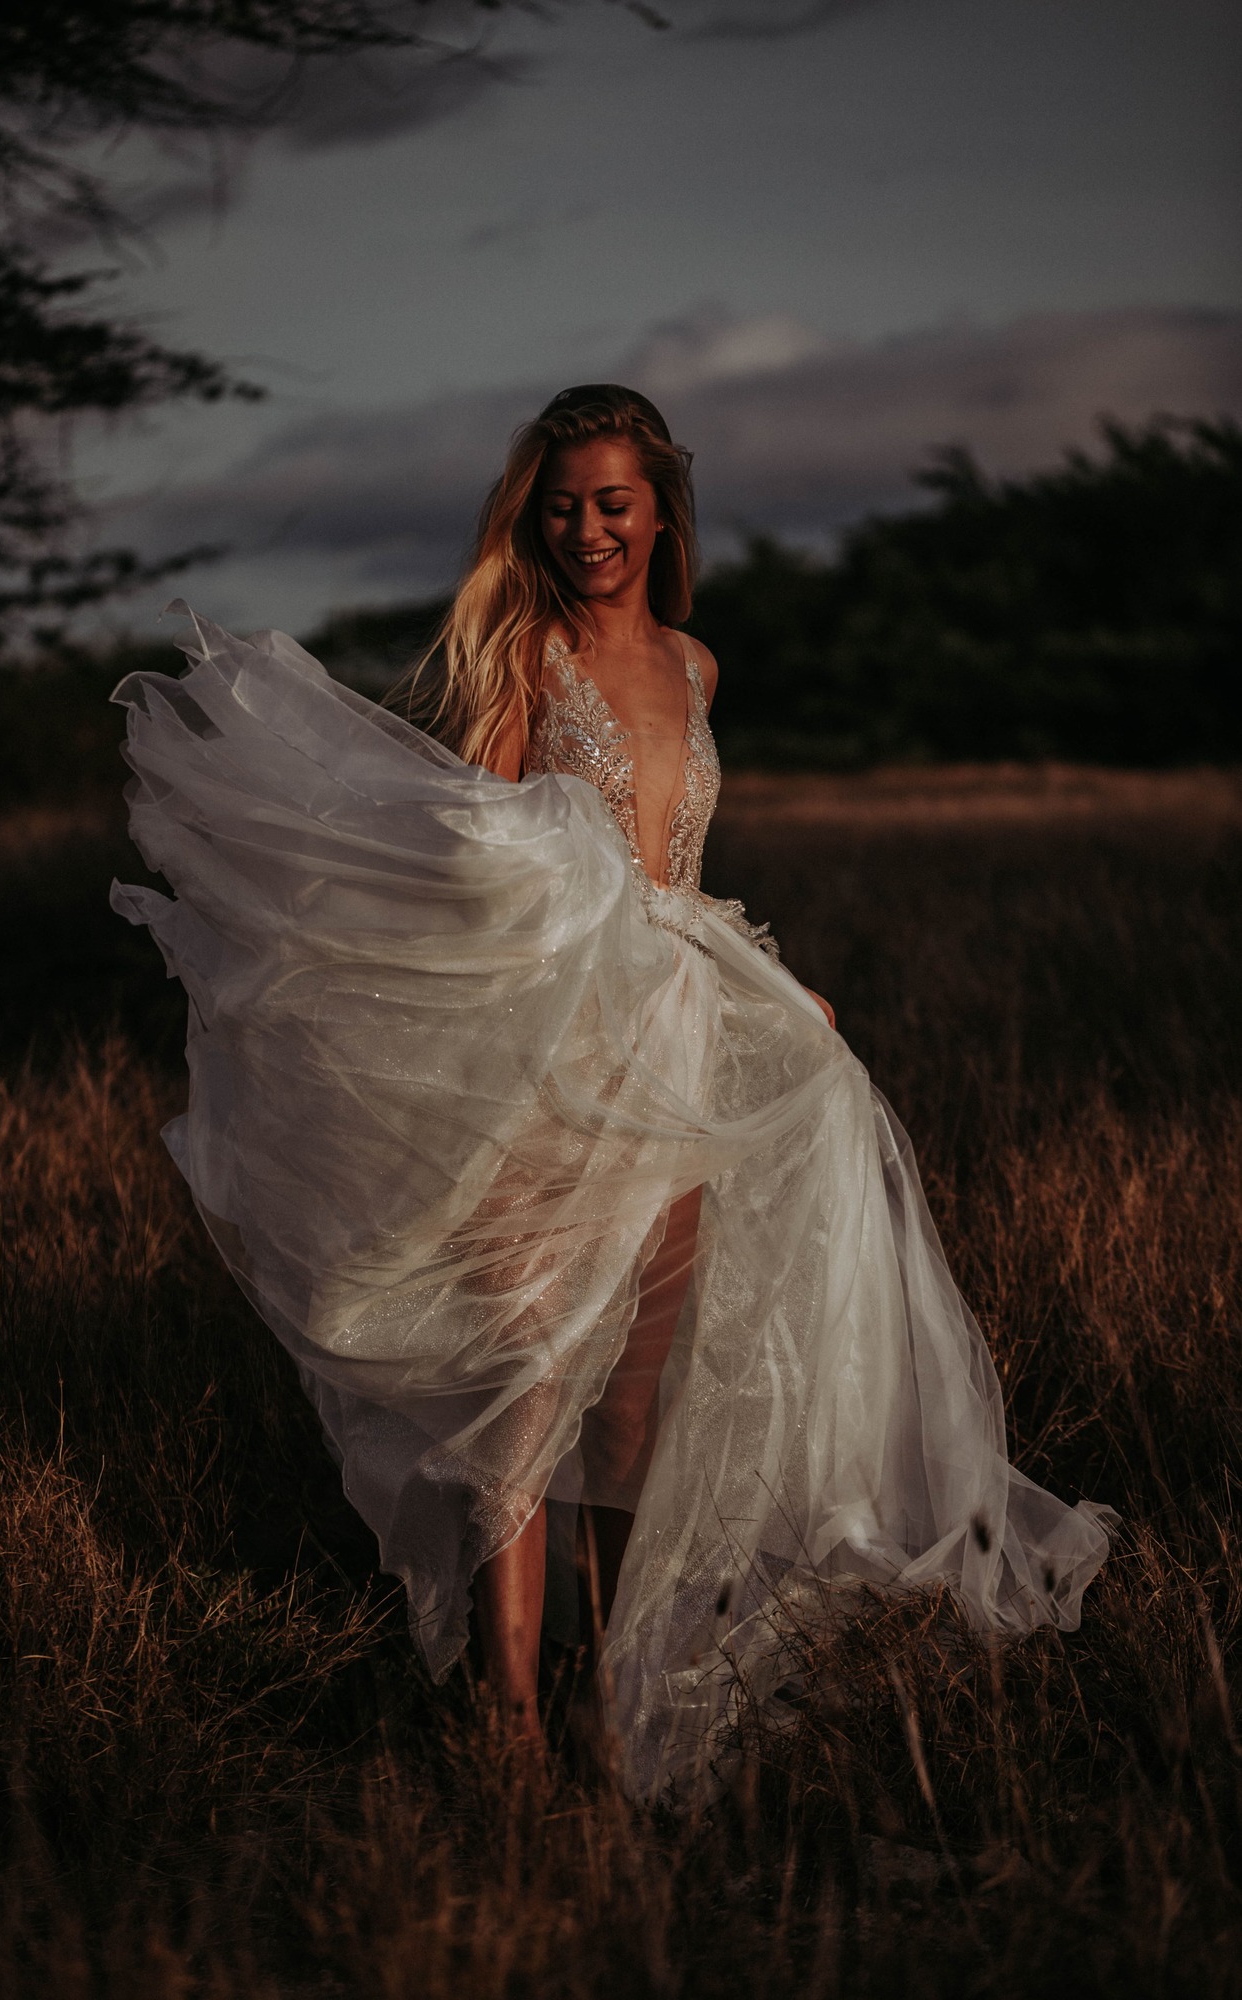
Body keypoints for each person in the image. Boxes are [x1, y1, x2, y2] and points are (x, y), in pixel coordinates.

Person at [111, 384, 1116, 1802]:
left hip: (686, 1047)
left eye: (613, 503)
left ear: (659, 510)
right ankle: (508, 1714)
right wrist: (577, 906)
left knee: (637, 1406)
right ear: (537, 515)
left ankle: (611, 1683)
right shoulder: (517, 653)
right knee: (531, 1376)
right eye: (564, 504)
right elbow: (468, 853)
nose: (587, 529)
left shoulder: (697, 667)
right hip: (553, 1047)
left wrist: (765, 978)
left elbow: (683, 872)